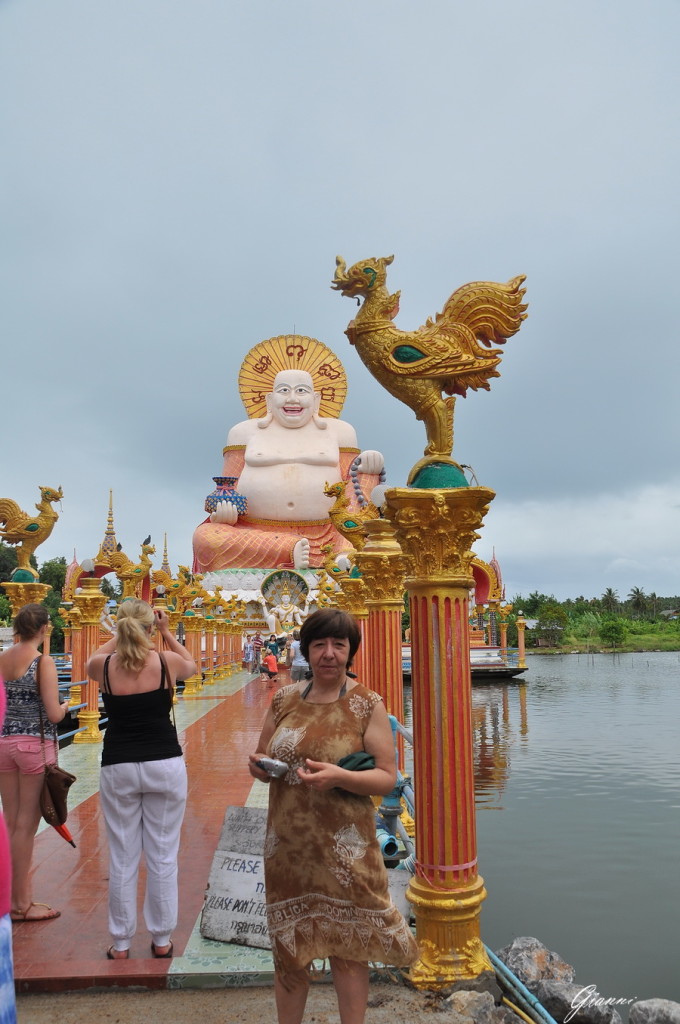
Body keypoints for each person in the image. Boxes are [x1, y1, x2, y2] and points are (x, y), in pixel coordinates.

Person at [249, 609, 418, 1024]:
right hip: (289, 848)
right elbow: (264, 755)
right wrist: (259, 766)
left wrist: (339, 776)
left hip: (347, 852)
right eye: (320, 644)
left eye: (338, 645)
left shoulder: (366, 704)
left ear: (349, 652)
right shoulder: (284, 698)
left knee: (349, 949)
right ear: (306, 649)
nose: (328, 654)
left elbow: (386, 777)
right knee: (290, 952)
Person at [85, 600, 196, 960]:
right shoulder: (166, 662)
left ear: (119, 629)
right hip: (164, 762)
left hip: (118, 765)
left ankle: (120, 943)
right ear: (150, 627)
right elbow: (192, 665)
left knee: (122, 855)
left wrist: (120, 634)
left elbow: (92, 656)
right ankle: (162, 939)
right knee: (163, 854)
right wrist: (166, 632)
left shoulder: (103, 666)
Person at [192, 367, 383, 571]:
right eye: (284, 391)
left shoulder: (340, 431)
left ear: (316, 399)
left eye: (301, 391)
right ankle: (287, 548)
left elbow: (350, 482)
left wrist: (370, 462)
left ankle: (346, 551)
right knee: (205, 537)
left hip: (330, 535)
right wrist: (224, 510)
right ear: (269, 399)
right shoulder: (244, 432)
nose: (292, 399)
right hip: (255, 535)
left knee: (366, 472)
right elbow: (228, 485)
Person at [0, 603, 68, 922]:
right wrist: (66, 707)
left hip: (4, 745)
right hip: (32, 748)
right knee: (25, 827)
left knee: (12, 824)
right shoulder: (43, 662)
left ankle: (10, 899)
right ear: (44, 629)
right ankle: (20, 904)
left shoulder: (2, 658)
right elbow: (53, 714)